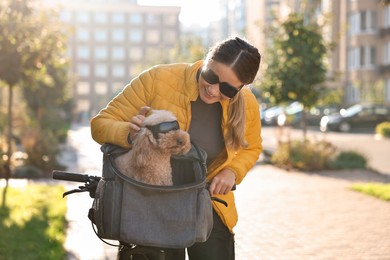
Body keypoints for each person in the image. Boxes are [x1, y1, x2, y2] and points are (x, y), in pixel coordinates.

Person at [90, 36, 262, 260]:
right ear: (206, 60)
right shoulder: (157, 79)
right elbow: (100, 124)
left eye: (227, 89)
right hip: (150, 205)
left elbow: (253, 146)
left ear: (241, 88)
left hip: (208, 205)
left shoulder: (247, 103)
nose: (212, 90)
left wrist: (232, 171)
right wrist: (131, 135)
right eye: (211, 76)